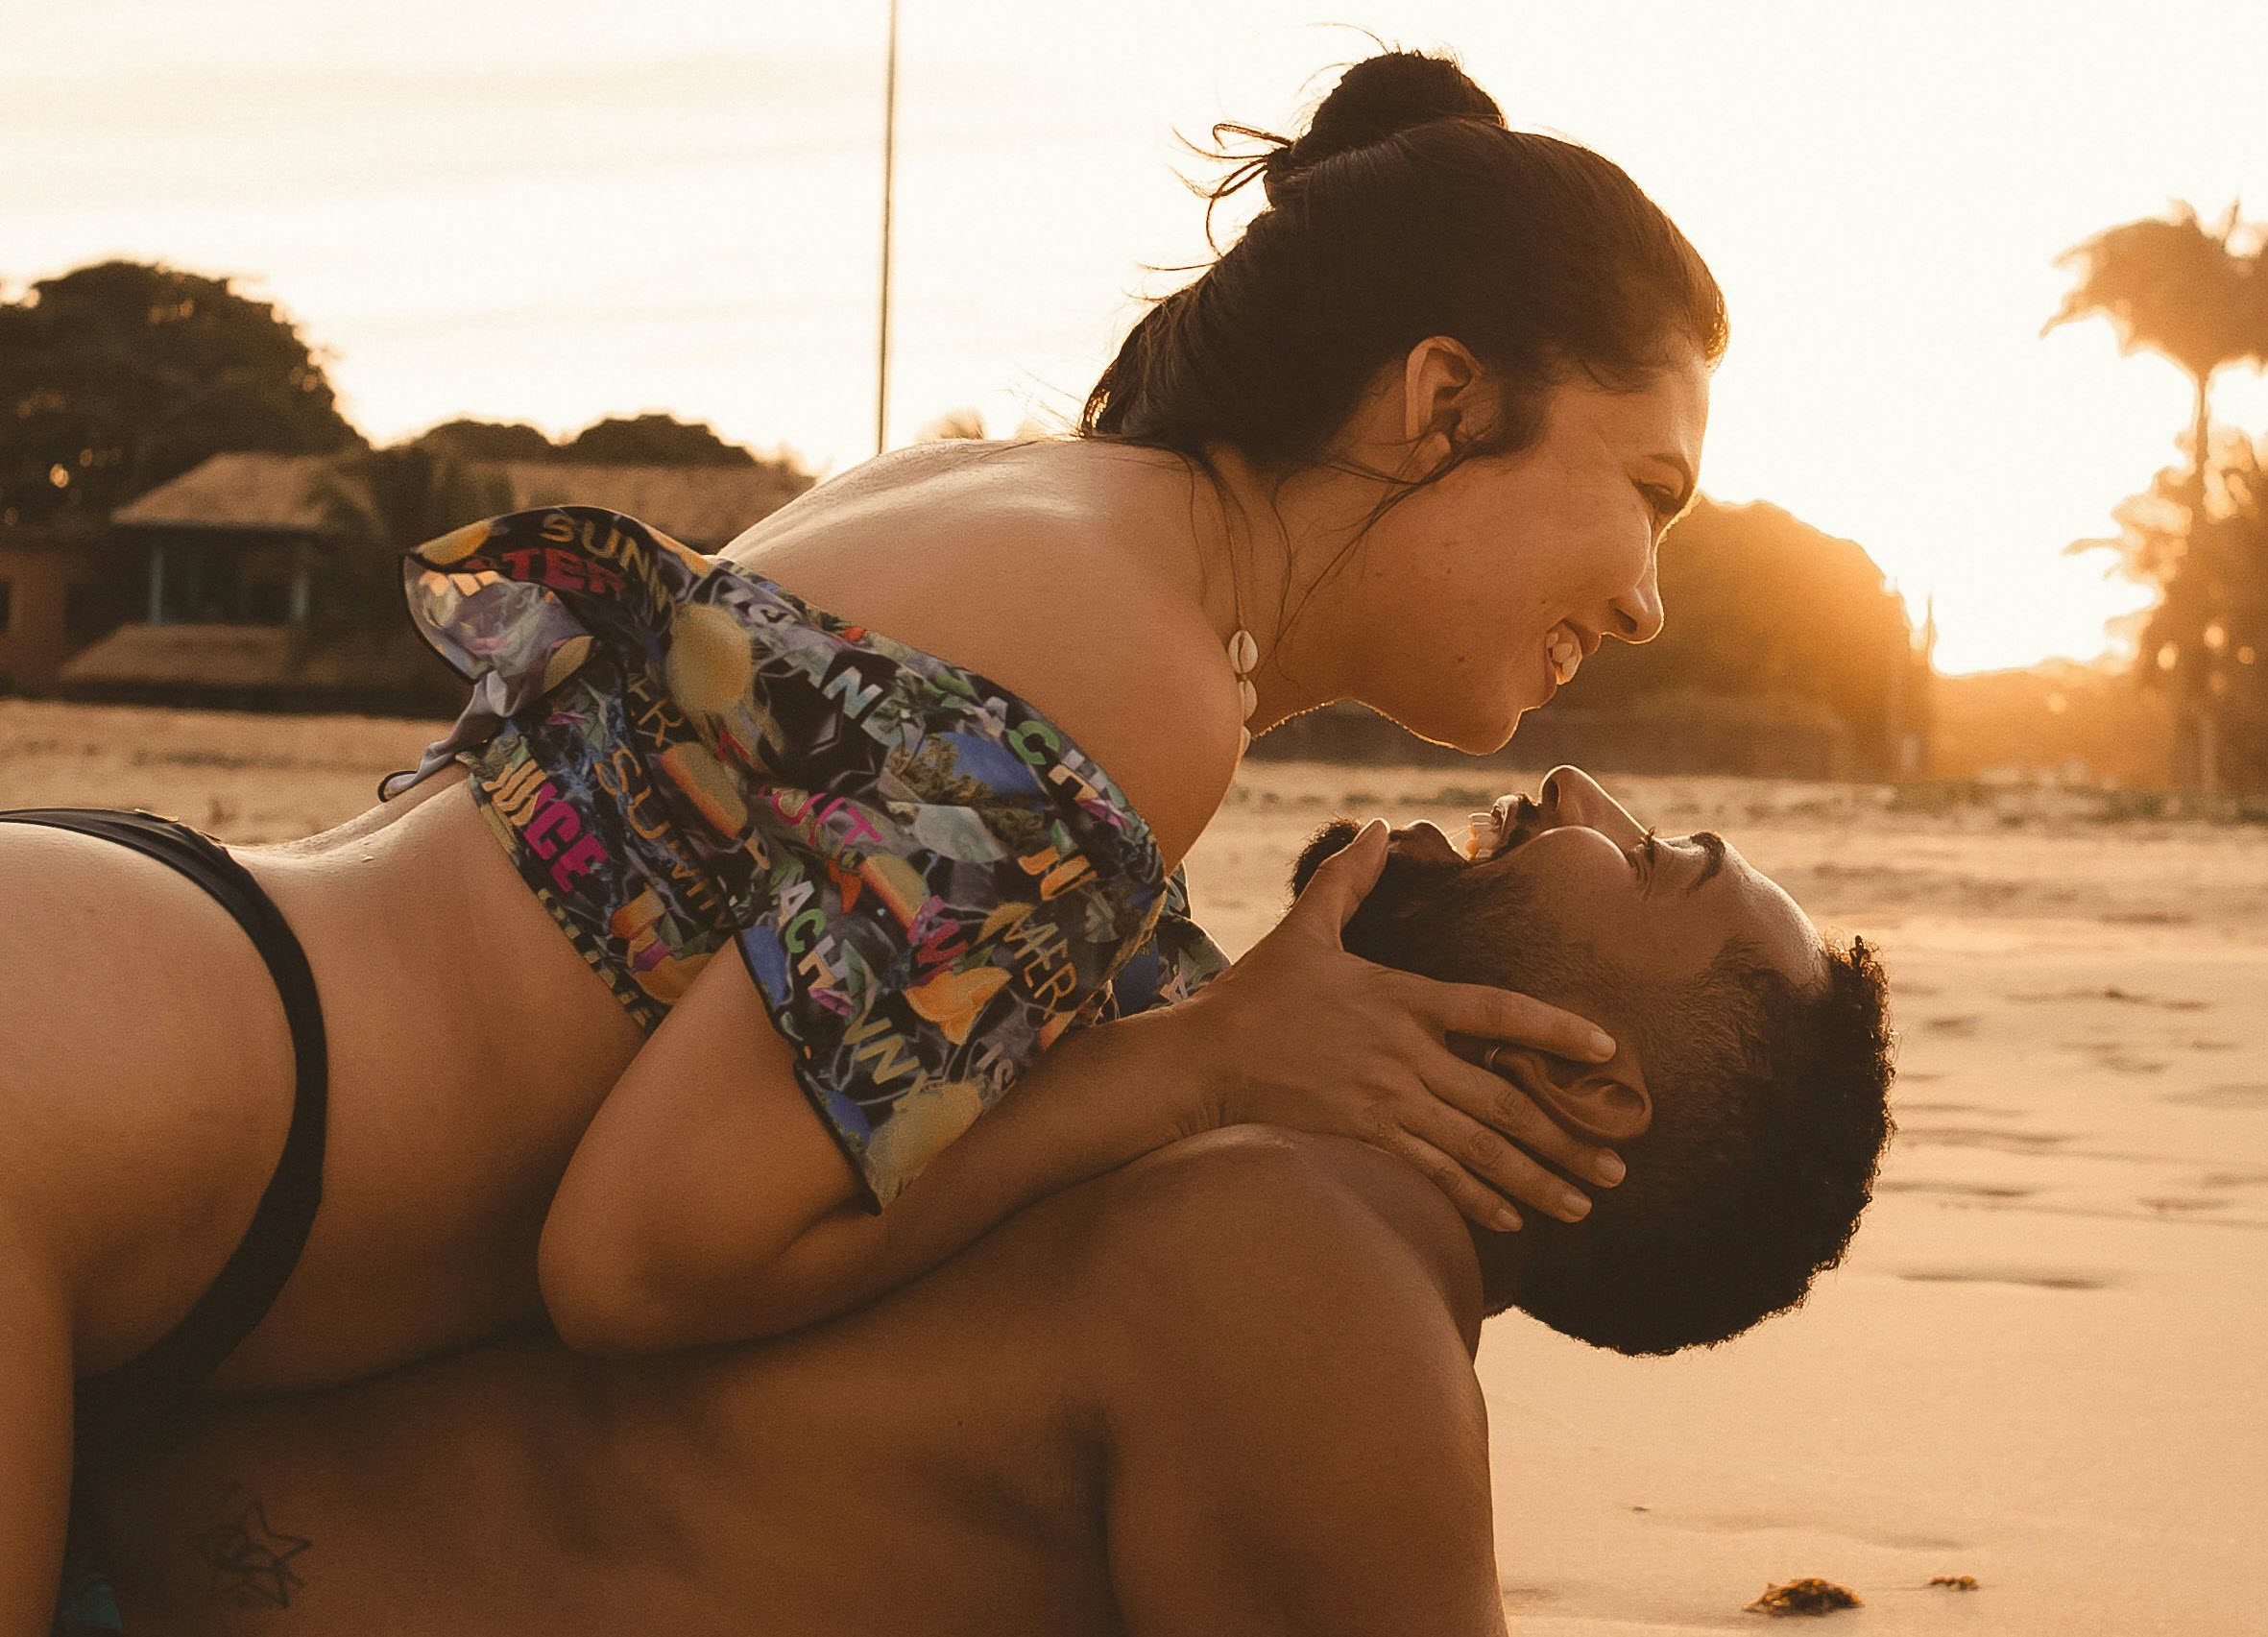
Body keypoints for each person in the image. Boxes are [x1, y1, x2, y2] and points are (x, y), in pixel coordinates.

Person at [3, 46, 1728, 1630]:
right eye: (1646, 491)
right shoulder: (1138, 676)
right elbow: (644, 1251)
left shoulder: (1037, 515)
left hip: (120, 999)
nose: (1648, 599)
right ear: (1439, 402)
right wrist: (1205, 1064)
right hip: (74, 1135)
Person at [73, 771, 1895, 1636]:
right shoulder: (1195, 1112)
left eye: (1658, 860)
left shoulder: (1306, 1259)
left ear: (1585, 1080)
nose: (1574, 786)